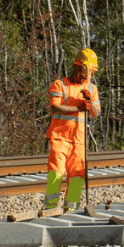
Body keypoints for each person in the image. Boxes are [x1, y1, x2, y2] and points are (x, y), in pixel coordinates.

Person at [45, 48, 101, 211]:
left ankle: (71, 208)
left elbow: (95, 113)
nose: (87, 75)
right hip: (59, 137)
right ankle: (50, 207)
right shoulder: (60, 84)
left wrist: (89, 102)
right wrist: (78, 106)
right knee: (56, 172)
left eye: (90, 72)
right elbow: (55, 107)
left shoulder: (91, 88)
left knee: (77, 174)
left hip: (79, 140)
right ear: (79, 67)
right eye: (86, 71)